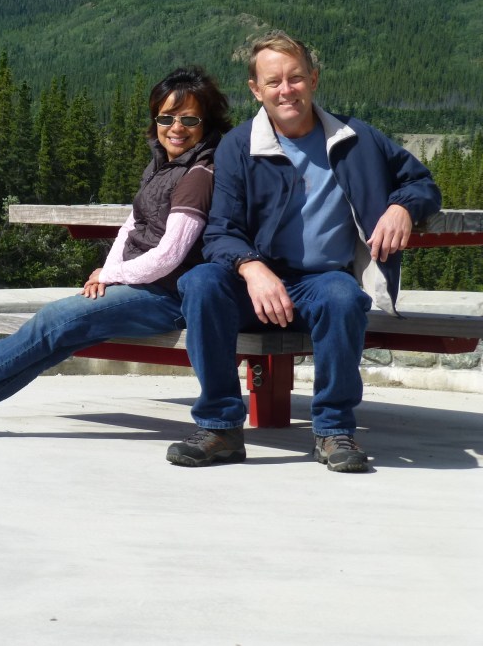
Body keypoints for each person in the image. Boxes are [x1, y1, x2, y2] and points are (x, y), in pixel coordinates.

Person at [0, 67, 232, 437]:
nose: (175, 127)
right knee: (63, 331)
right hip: (142, 286)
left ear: (207, 122)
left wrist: (113, 275)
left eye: (189, 118)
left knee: (57, 319)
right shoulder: (161, 164)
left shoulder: (199, 174)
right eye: (165, 117)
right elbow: (131, 226)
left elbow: (170, 255)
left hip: (169, 296)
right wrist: (107, 269)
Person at [167, 30, 441, 473]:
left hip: (320, 281)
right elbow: (221, 232)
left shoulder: (357, 138)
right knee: (200, 282)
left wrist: (401, 207)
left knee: (344, 295)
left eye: (295, 77)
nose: (286, 89)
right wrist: (252, 267)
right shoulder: (239, 146)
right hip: (254, 283)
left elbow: (423, 183)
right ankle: (219, 428)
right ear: (256, 90)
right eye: (273, 81)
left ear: (313, 79)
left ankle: (334, 431)